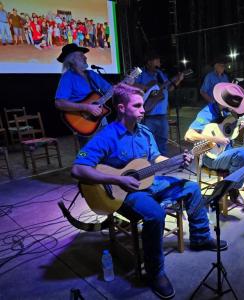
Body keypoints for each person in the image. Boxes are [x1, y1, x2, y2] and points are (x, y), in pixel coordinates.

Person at [71, 83, 226, 299]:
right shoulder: (108, 135)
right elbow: (78, 168)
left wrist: (177, 161)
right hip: (124, 191)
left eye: (143, 105)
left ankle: (200, 237)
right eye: (137, 106)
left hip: (149, 182)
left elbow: (156, 159)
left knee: (191, 187)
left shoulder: (145, 132)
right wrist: (116, 179)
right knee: (155, 215)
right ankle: (155, 273)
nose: (144, 109)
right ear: (122, 108)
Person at [185, 82, 244, 216]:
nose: (235, 109)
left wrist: (237, 129)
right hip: (212, 157)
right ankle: (233, 189)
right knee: (241, 153)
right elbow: (189, 135)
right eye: (234, 106)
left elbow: (228, 133)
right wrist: (216, 139)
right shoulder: (208, 111)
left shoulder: (230, 113)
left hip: (230, 155)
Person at [54, 43, 112, 146]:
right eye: (81, 55)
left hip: (102, 120)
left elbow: (110, 89)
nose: (85, 57)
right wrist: (86, 107)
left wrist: (124, 85)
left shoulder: (91, 74)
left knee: (107, 151)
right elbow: (59, 103)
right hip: (85, 123)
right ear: (72, 60)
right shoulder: (68, 78)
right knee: (88, 155)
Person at [134, 51, 184, 155]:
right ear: (149, 62)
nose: (159, 64)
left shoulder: (161, 74)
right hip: (148, 114)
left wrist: (178, 80)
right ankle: (148, 167)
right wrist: (146, 88)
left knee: (163, 143)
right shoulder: (141, 73)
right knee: (147, 143)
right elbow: (131, 85)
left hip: (162, 115)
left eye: (159, 62)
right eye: (157, 61)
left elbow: (168, 88)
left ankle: (162, 165)